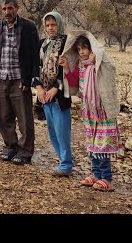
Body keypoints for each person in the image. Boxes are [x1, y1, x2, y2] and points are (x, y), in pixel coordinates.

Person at [61, 31, 123, 191]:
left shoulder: (101, 63)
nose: (82, 52)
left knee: (102, 144)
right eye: (79, 49)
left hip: (102, 110)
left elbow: (110, 69)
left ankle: (106, 177)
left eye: (85, 48)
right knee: (92, 143)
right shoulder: (82, 65)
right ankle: (95, 173)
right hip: (88, 110)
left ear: (91, 48)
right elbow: (75, 82)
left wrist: (98, 61)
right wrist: (67, 67)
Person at [0, 0, 40, 165]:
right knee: (3, 115)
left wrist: (29, 78)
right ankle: (10, 147)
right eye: (4, 8)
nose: (7, 11)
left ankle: (25, 151)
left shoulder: (28, 27)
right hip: (1, 78)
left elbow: (34, 55)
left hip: (19, 79)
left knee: (24, 118)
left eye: (10, 8)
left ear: (17, 8)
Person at [33, 11, 79, 177]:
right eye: (47, 25)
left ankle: (66, 164)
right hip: (44, 95)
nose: (50, 28)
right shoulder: (41, 43)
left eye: (53, 24)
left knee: (62, 130)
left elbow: (70, 66)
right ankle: (62, 161)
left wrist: (56, 87)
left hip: (59, 95)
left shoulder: (67, 43)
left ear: (59, 24)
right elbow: (35, 66)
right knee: (52, 130)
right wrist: (39, 88)